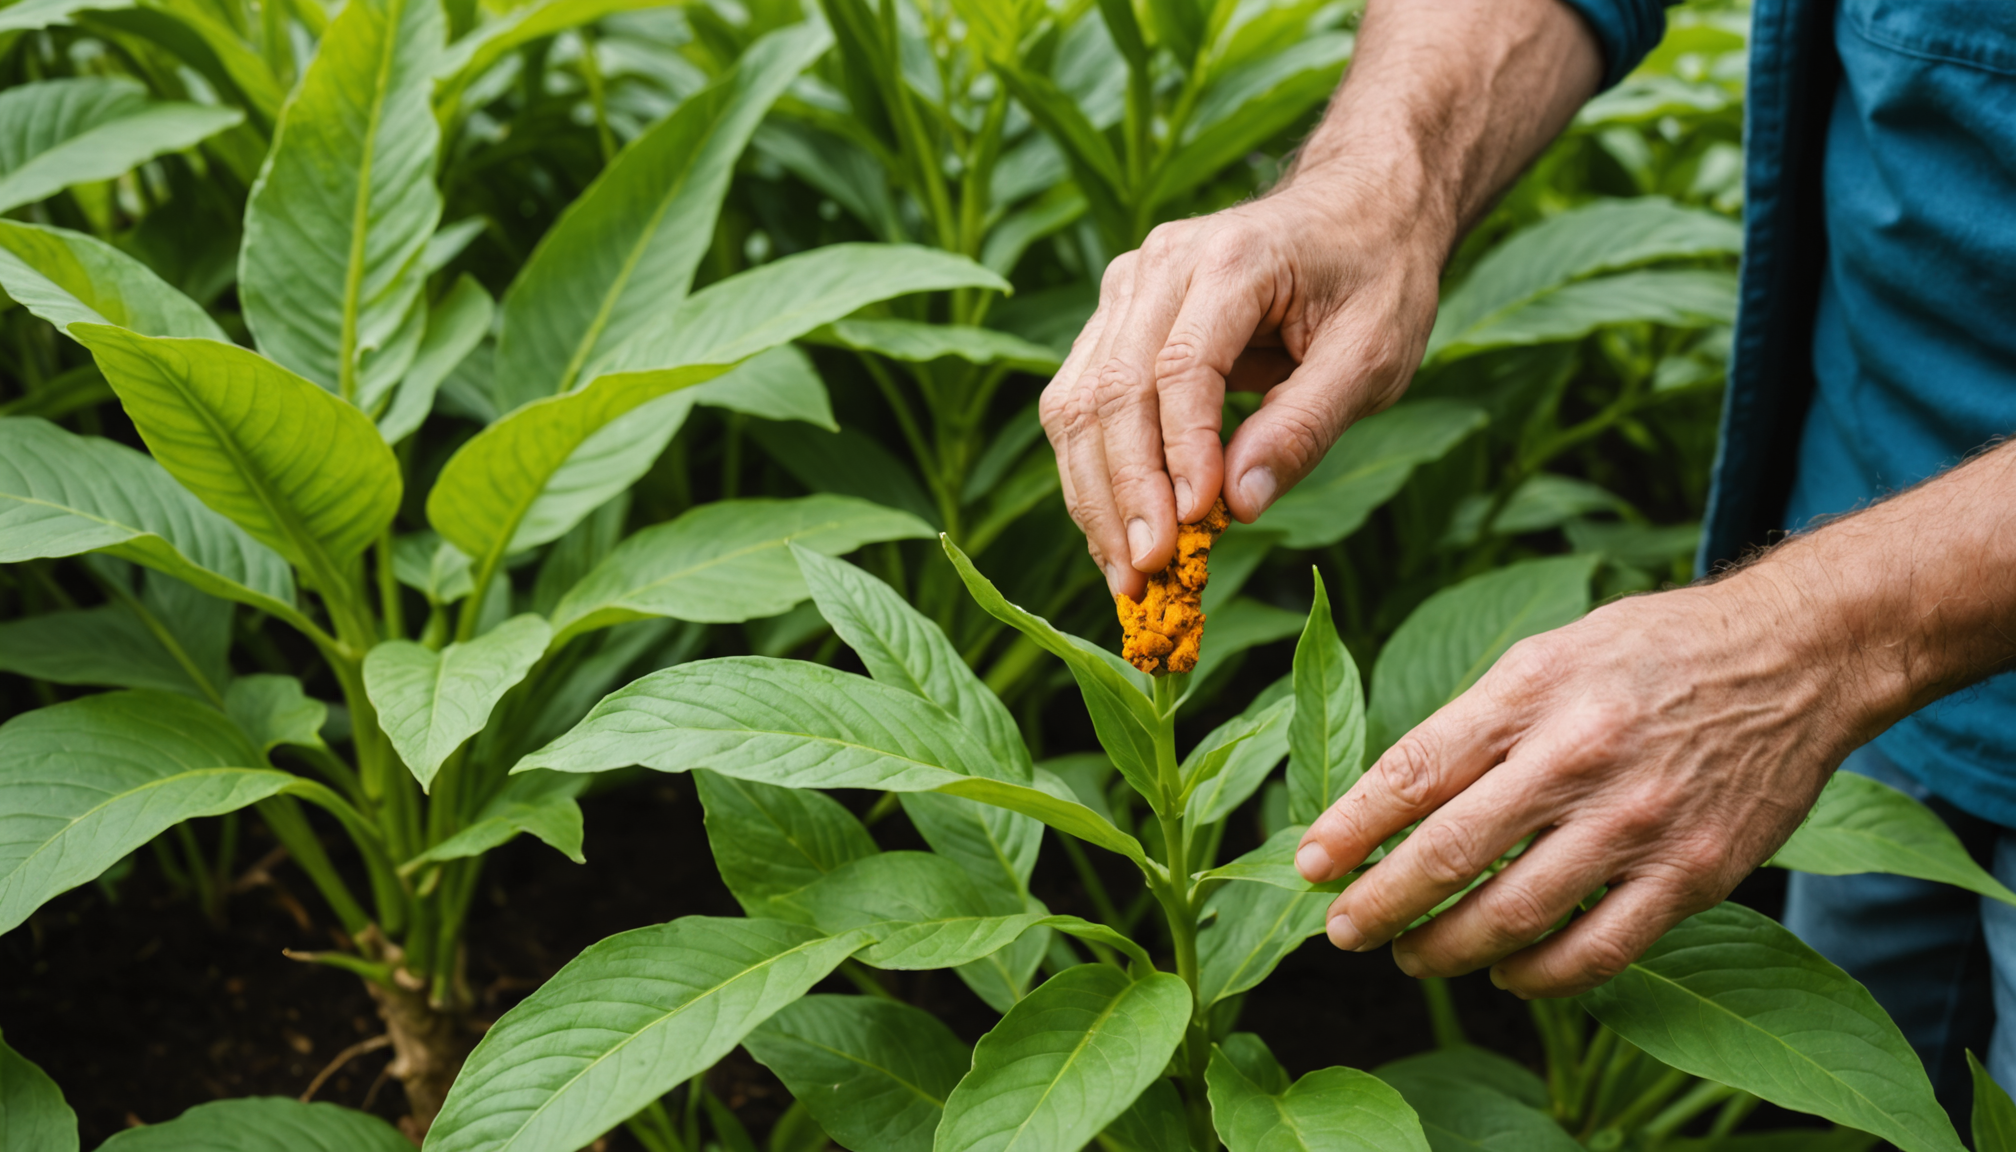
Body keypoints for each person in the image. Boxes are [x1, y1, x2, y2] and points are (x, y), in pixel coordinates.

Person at [1038, 0, 2016, 1108]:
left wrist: (1810, 645)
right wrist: (1378, 176)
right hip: (1871, 505)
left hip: (1864, 616)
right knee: (1881, 1100)